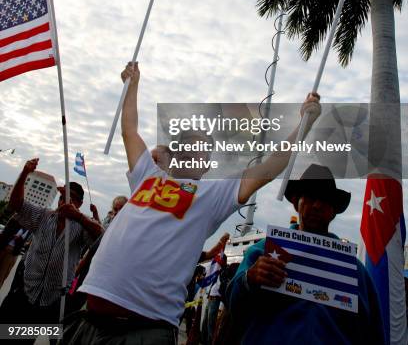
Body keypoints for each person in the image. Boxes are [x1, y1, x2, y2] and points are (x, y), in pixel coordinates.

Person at [63, 62, 321, 344]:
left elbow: (271, 167)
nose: (194, 150)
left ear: (208, 162)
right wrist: (132, 85)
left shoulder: (215, 194)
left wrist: (304, 125)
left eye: (202, 147)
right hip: (88, 320)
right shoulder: (147, 174)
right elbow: (128, 130)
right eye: (188, 143)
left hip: (144, 329)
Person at [227, 164, 386, 344]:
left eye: (325, 200)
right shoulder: (262, 252)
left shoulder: (355, 271)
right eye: (310, 197)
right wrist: (249, 279)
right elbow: (234, 307)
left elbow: (374, 332)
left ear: (333, 211)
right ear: (296, 203)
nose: (317, 205)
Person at [0, 158, 102, 330]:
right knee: (5, 331)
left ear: (79, 204)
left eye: (72, 199)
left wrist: (79, 216)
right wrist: (25, 173)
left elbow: (101, 240)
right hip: (25, 290)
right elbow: (16, 204)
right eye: (62, 197)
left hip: (52, 299)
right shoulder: (44, 216)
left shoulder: (82, 227)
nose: (65, 201)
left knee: (26, 337)